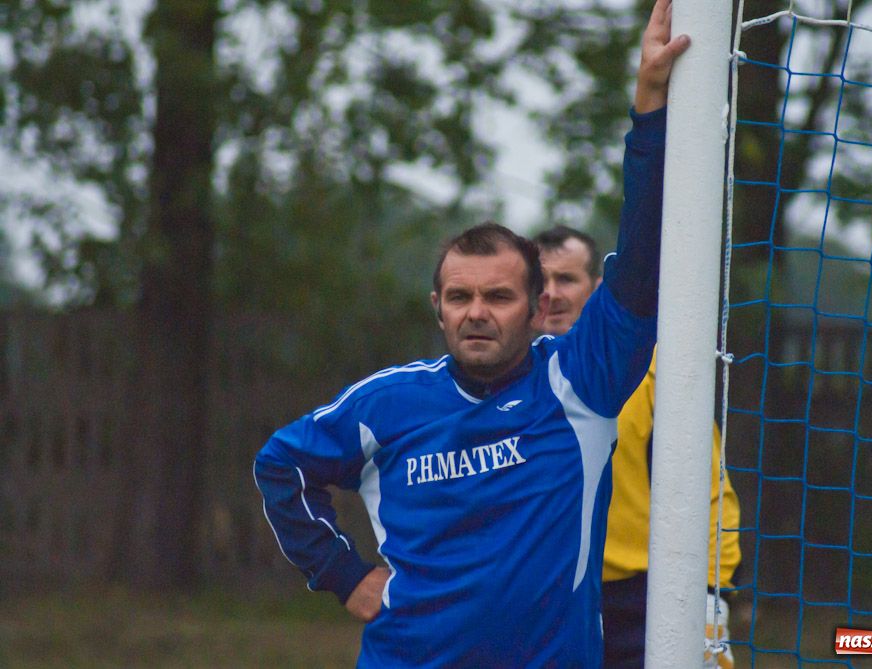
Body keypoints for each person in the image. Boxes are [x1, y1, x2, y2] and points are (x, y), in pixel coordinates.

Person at [253, 2, 690, 666]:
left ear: (539, 304)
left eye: (497, 295)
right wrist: (343, 573)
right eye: (459, 296)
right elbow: (281, 464)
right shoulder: (386, 403)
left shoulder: (581, 381)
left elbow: (641, 257)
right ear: (438, 307)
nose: (476, 311)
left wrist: (650, 103)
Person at [534, 225, 742, 669]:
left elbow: (707, 486)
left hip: (638, 601)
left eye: (566, 279)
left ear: (596, 286)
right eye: (540, 280)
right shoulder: (502, 376)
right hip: (537, 599)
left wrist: (711, 590)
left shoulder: (651, 367)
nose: (551, 293)